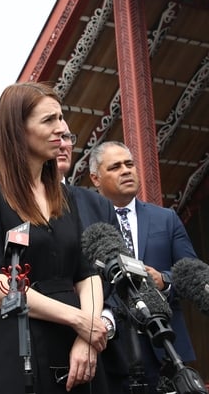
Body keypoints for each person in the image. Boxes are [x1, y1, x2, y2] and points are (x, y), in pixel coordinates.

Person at [0, 81, 109, 394]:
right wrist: (78, 320)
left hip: (75, 346)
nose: (62, 129)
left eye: (61, 118)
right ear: (18, 130)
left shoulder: (64, 195)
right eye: (49, 120)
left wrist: (87, 336)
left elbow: (87, 274)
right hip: (18, 343)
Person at [89, 141, 198, 392]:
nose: (126, 170)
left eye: (129, 164)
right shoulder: (86, 224)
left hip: (166, 349)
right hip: (110, 349)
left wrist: (165, 280)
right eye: (115, 167)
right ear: (96, 179)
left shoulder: (166, 218)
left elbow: (192, 272)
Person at [56, 123, 123, 342]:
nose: (63, 145)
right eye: (56, 137)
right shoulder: (16, 203)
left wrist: (104, 320)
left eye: (67, 137)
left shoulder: (98, 205)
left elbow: (121, 271)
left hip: (103, 338)